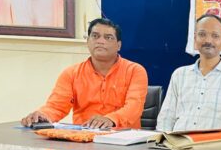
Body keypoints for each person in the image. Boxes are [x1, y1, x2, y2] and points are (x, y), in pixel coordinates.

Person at [20, 18, 148, 129]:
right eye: (95, 36)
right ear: (88, 42)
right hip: (84, 138)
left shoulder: (135, 71)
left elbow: (134, 108)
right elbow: (56, 107)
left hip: (124, 140)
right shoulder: (71, 73)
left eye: (108, 37)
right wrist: (42, 115)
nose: (100, 41)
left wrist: (110, 119)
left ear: (118, 45)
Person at [156, 13, 221, 133]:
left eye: (215, 36)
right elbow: (165, 119)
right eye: (202, 34)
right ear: (195, 38)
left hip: (218, 144)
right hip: (178, 143)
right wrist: (166, 140)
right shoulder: (179, 75)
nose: (208, 40)